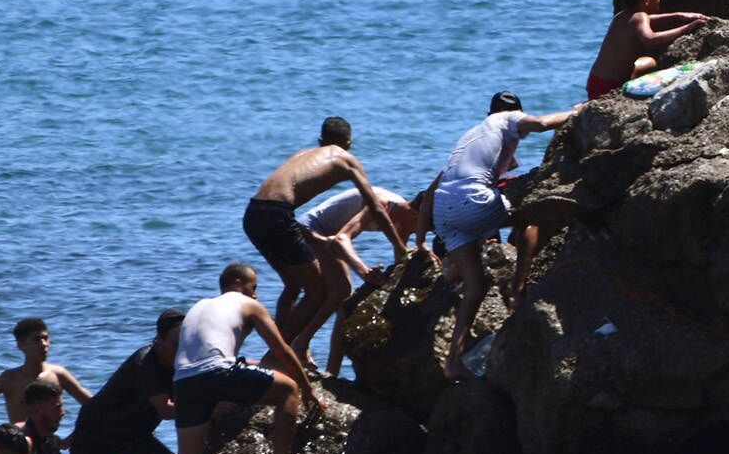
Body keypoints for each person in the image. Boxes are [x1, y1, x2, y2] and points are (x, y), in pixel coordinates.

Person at [431, 93, 581, 373]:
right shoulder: (506, 118)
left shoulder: (473, 134)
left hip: (442, 209)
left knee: (476, 285)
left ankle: (453, 362)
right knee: (529, 215)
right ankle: (518, 290)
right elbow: (543, 123)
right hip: (470, 200)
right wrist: (580, 111)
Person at [244, 117, 406, 343]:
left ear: (322, 141)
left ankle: (279, 346)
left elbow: (282, 209)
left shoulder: (301, 155)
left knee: (293, 285)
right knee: (318, 290)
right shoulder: (346, 159)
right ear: (348, 142)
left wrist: (314, 237)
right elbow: (375, 206)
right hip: (276, 214)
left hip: (253, 213)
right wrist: (399, 246)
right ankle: (280, 353)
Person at [168, 262, 319, 454]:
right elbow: (281, 349)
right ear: (239, 284)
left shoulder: (200, 306)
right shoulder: (247, 303)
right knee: (288, 389)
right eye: (254, 287)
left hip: (184, 381)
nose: (256, 295)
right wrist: (307, 388)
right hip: (218, 372)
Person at [286, 178, 422, 371]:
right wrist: (364, 270)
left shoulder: (403, 220)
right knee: (341, 289)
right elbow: (341, 240)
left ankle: (332, 373)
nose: (420, 233)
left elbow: (401, 257)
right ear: (415, 214)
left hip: (331, 238)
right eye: (424, 226)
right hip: (311, 230)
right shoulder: (381, 203)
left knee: (345, 307)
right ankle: (300, 344)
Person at [60, 311, 182, 454]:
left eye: (186, 344)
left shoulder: (180, 361)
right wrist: (204, 408)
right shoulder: (145, 362)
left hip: (134, 437)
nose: (181, 351)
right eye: (176, 345)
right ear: (159, 338)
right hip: (95, 436)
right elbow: (166, 410)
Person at [0, 315, 92, 441]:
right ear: (21, 345)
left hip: (50, 453)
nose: (43, 344)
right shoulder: (9, 379)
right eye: (36, 339)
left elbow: (95, 407)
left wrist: (67, 441)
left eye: (45, 338)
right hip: (19, 453)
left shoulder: (58, 374)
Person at [588, 0, 716, 100]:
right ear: (646, 1)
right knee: (651, 63)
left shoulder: (621, 16)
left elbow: (653, 19)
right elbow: (650, 40)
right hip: (610, 87)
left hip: (594, 80)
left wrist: (681, 16)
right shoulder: (639, 17)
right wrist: (688, 28)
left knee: (649, 63)